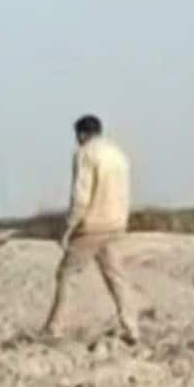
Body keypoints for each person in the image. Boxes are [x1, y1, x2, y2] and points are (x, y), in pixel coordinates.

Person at [42, 114, 140, 343]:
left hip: (93, 224)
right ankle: (131, 327)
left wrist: (68, 227)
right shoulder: (117, 154)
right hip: (116, 222)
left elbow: (81, 196)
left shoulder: (85, 153)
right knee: (116, 276)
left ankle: (54, 327)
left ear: (82, 134)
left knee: (67, 274)